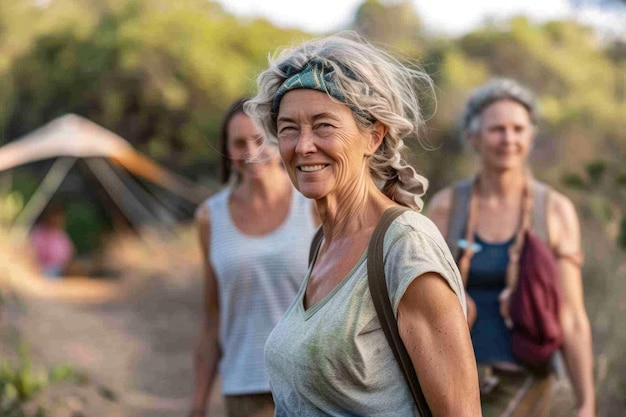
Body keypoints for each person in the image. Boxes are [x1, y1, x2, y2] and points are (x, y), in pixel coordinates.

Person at [244, 31, 481, 416]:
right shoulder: (322, 242)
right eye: (289, 128)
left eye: (323, 125)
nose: (303, 145)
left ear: (373, 136)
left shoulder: (405, 246)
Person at [427, 78, 595, 416]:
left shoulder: (554, 209)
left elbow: (572, 317)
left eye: (518, 129)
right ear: (473, 138)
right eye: (497, 129)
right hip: (457, 384)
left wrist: (586, 403)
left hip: (528, 382)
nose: (509, 139)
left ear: (531, 137)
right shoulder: (448, 207)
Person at [188, 98, 318, 417]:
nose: (250, 150)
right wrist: (198, 404)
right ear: (227, 151)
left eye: (259, 139)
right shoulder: (210, 218)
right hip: (243, 390)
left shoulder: (313, 206)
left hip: (312, 387)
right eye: (238, 143)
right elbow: (212, 316)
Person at [30, 202, 75, 278]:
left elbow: (69, 258)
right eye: (55, 216)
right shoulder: (37, 233)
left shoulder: (61, 236)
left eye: (60, 217)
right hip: (43, 273)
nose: (58, 219)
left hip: (61, 273)